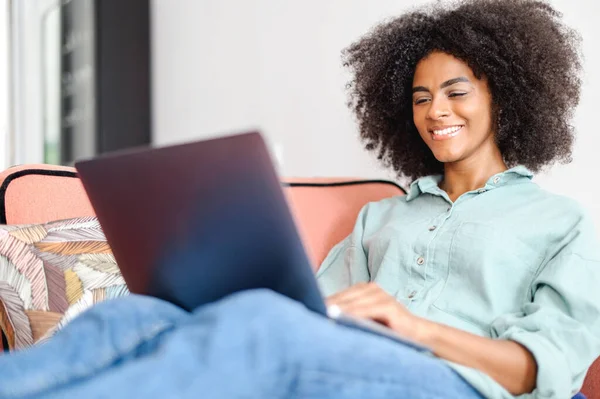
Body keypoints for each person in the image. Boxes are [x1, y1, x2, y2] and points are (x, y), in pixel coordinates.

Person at [0, 0, 597, 398]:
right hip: (348, 361)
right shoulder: (381, 216)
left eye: (455, 92)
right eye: (419, 98)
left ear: (508, 98)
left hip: (455, 383)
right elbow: (313, 310)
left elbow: (543, 369)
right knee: (137, 314)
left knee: (262, 328)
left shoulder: (562, 223)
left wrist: (416, 329)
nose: (435, 111)